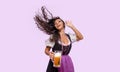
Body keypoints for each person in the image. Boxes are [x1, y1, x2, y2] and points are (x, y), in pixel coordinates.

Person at [34, 6, 83, 72]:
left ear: (63, 23)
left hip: (67, 60)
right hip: (56, 58)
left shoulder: (69, 36)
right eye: (55, 23)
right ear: (55, 27)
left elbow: (81, 37)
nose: (57, 23)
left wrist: (72, 26)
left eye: (59, 21)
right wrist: (50, 53)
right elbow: (46, 50)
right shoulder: (53, 37)